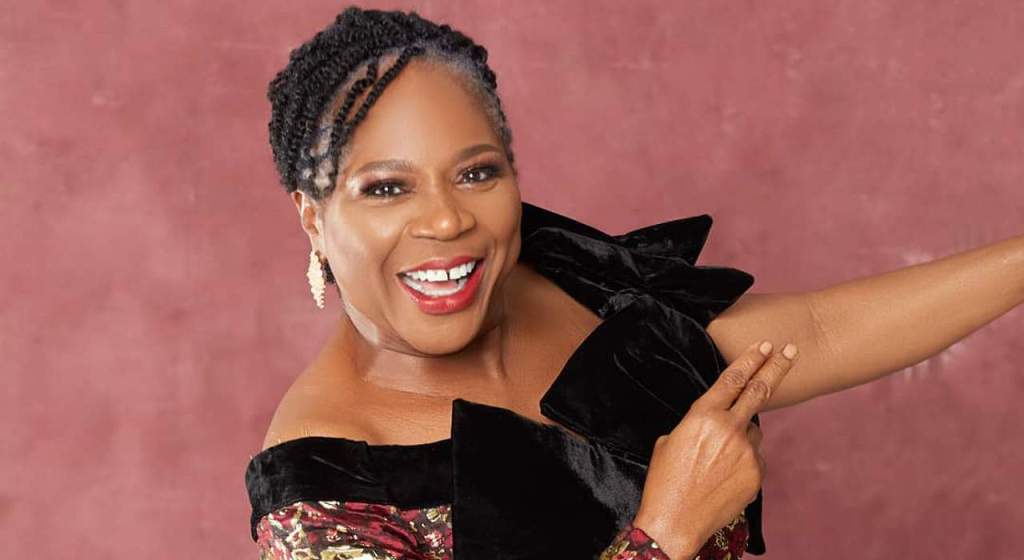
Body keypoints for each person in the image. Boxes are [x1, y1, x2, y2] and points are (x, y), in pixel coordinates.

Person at [245, 6, 1024, 559]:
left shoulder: (564, 279)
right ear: (313, 217)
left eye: (476, 173)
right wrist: (667, 533)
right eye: (386, 188)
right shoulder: (323, 498)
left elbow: (815, 335)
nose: (447, 220)